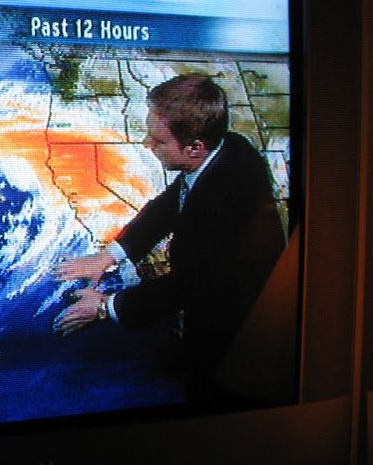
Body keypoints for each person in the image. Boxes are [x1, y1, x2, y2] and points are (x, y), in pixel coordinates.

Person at [52, 73, 285, 402]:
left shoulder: (222, 206)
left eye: (158, 141)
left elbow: (190, 284)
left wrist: (105, 307)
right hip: (221, 293)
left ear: (194, 148)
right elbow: (173, 202)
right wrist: (110, 256)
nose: (147, 144)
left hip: (239, 335)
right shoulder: (229, 147)